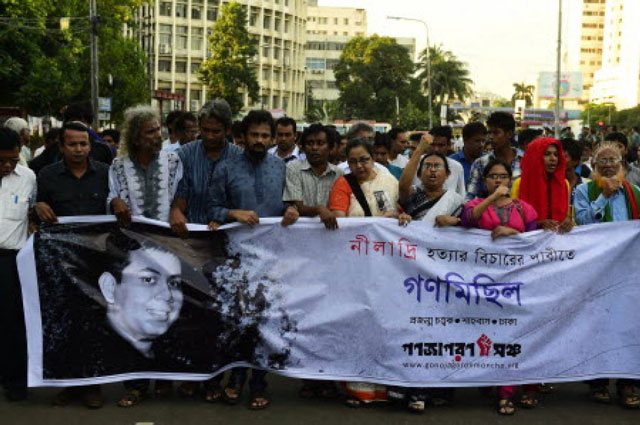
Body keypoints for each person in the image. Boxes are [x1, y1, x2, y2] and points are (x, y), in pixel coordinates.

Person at [206, 110, 299, 410]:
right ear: (243, 137)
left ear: (272, 138)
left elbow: (290, 204)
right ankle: (236, 377)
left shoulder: (281, 167)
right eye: (254, 135)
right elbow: (212, 208)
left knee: (265, 320)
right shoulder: (225, 168)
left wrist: (292, 211)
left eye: (264, 136)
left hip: (273, 257)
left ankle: (259, 382)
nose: (259, 141)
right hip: (237, 259)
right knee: (238, 319)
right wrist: (233, 214)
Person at [34, 121, 109, 409]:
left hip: (95, 261)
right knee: (63, 321)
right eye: (72, 144)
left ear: (90, 146)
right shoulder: (47, 176)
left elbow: (118, 205)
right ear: (61, 146)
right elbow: (35, 210)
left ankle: (92, 386)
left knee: (93, 323)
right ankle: (67, 385)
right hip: (59, 262)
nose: (79, 149)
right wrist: (37, 206)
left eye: (84, 144)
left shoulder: (105, 174)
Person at [327, 137, 406, 407]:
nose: (359, 165)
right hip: (354, 262)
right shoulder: (342, 183)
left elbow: (401, 214)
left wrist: (399, 219)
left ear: (374, 158)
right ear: (347, 163)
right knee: (358, 317)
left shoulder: (390, 182)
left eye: (364, 159)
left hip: (386, 263)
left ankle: (383, 380)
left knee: (384, 319)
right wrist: (373, 223)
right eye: (353, 161)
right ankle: (355, 382)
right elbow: (338, 219)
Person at [461, 158, 537, 415]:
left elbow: (534, 242)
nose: (498, 180)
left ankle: (506, 392)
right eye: (493, 176)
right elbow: (469, 220)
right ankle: (485, 378)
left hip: (513, 284)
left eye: (503, 176)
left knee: (510, 335)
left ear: (510, 179)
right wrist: (492, 197)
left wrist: (511, 233)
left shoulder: (524, 209)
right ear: (485, 181)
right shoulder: (474, 204)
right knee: (482, 335)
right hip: (479, 285)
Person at [574, 142, 640, 408]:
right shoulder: (582, 190)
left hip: (629, 271)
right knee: (598, 324)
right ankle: (598, 381)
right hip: (597, 271)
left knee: (630, 327)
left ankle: (629, 384)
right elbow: (584, 223)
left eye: (614, 160)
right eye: (603, 161)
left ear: (622, 164)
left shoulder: (635, 192)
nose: (609, 165)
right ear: (594, 165)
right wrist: (602, 197)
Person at [170, 99, 243, 237]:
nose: (209, 136)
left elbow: (242, 200)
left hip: (230, 236)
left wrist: (224, 217)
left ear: (227, 129)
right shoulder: (184, 154)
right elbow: (180, 195)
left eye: (216, 132)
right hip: (191, 236)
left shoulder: (240, 157)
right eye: (205, 130)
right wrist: (175, 211)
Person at [0, 128, 36, 402]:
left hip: (10, 260)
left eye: (12, 159)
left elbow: (33, 214)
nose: (7, 165)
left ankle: (15, 381)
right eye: (1, 160)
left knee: (13, 324)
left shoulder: (28, 178)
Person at [283, 123, 343, 230]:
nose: (314, 148)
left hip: (330, 231)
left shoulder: (338, 173)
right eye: (310, 143)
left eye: (320, 143)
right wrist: (319, 210)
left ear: (330, 147)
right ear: (303, 147)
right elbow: (298, 207)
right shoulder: (293, 168)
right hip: (301, 231)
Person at [399, 133, 464, 226]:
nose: (432, 170)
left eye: (437, 166)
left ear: (447, 174)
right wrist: (420, 149)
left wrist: (455, 221)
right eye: (427, 166)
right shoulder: (414, 194)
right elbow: (403, 187)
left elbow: (466, 224)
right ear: (419, 174)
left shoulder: (455, 201)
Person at [511, 137, 572, 233]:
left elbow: (567, 215)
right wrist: (538, 223)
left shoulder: (564, 184)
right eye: (547, 154)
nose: (553, 159)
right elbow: (514, 219)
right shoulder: (519, 183)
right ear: (535, 157)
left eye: (556, 155)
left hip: (557, 242)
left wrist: (567, 221)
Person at [467, 112, 523, 200]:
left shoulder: (526, 161)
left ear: (509, 134)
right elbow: (470, 198)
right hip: (488, 212)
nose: (490, 137)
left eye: (496, 133)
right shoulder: (480, 163)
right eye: (489, 133)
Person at [561, 138, 589, 220]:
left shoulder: (587, 185)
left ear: (576, 160)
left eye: (565, 157)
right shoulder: (551, 185)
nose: (559, 160)